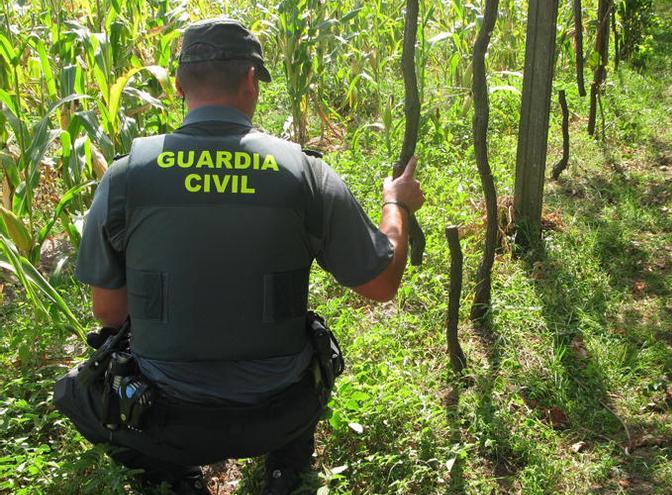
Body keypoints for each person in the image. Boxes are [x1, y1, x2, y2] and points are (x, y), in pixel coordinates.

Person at [53, 18, 425, 495]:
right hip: (280, 411)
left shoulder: (127, 176)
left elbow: (108, 312)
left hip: (166, 418)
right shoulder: (305, 172)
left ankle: (171, 475)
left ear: (180, 83)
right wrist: (395, 201)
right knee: (312, 345)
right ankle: (285, 468)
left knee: (78, 390)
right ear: (252, 79)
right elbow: (381, 285)